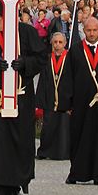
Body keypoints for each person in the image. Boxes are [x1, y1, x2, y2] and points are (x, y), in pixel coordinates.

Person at [0, 0, 45, 195]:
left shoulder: (26, 33)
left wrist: (25, 63)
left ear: (0, 16)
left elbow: (41, 58)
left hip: (21, 98)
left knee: (19, 139)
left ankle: (14, 185)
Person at [67, 14, 98, 186]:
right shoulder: (76, 50)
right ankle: (77, 173)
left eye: (94, 30)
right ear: (83, 30)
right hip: (81, 102)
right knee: (79, 136)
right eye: (88, 30)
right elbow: (69, 77)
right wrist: (68, 102)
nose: (92, 33)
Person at [36, 31, 73, 160]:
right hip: (50, 98)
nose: (57, 45)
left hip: (65, 98)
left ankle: (63, 152)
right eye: (55, 42)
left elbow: (73, 81)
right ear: (51, 43)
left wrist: (72, 102)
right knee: (49, 126)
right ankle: (45, 151)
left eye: (60, 42)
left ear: (65, 43)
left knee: (64, 127)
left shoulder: (70, 58)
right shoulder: (47, 59)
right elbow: (42, 81)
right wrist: (40, 102)